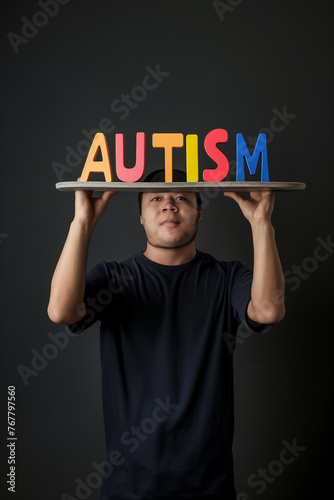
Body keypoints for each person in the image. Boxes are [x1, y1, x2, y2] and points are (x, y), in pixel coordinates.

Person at [48, 169, 285, 500]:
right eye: (156, 198)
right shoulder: (113, 278)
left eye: (181, 198)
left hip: (209, 488)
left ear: (199, 212)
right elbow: (61, 311)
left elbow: (268, 310)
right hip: (127, 488)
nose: (169, 205)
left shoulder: (228, 277)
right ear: (141, 217)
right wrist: (82, 223)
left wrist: (262, 224)